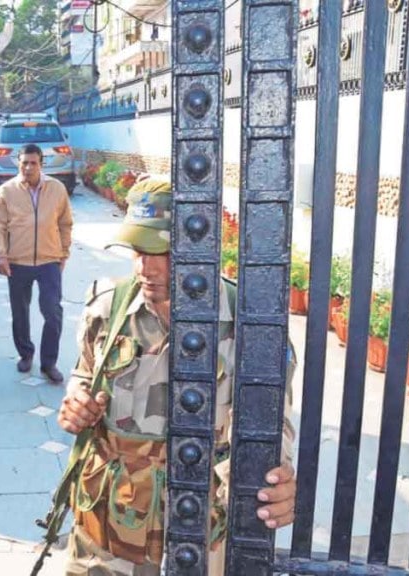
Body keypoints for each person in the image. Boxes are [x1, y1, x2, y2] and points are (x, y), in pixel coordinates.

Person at [54, 180, 297, 575]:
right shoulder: (107, 307)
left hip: (198, 525)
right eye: (138, 251)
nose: (145, 268)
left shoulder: (249, 324)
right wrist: (77, 402)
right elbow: (83, 373)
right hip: (110, 525)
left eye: (163, 253)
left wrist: (272, 476)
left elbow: (272, 425)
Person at [0, 143, 74, 382]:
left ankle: (49, 363)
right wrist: (0, 255)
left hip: (49, 260)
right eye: (24, 163)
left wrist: (63, 253)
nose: (28, 167)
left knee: (52, 312)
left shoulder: (56, 189)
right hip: (17, 262)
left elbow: (65, 223)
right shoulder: (6, 191)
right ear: (18, 163)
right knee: (20, 312)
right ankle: (25, 354)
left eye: (33, 163)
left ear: (41, 164)